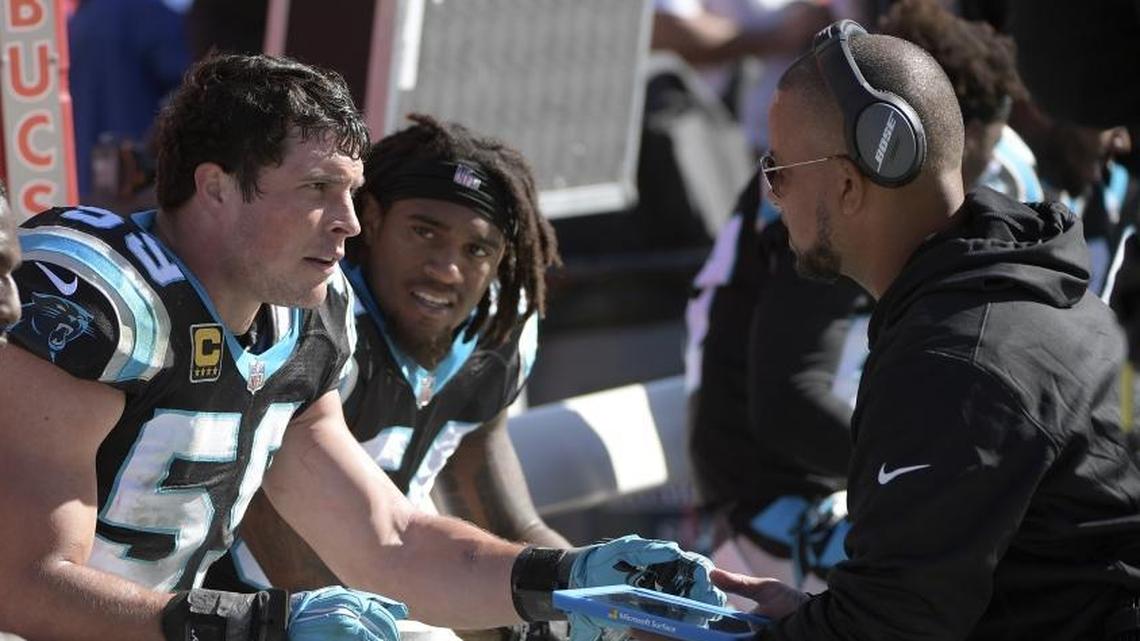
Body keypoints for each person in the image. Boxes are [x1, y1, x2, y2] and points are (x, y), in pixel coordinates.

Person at [0, 53, 724, 641]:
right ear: (215, 187)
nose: (348, 222)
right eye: (318, 187)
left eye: (352, 190)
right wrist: (257, 623)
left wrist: (570, 578)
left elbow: (390, 538)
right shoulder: (94, 299)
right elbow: (24, 585)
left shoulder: (302, 323)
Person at [711, 20, 1140, 640]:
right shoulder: (1029, 291)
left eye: (779, 170)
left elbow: (889, 626)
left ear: (849, 184)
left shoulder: (956, 364)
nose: (772, 195)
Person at [686, 0, 1042, 596]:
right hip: (773, 504)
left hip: (848, 476)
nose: (966, 184)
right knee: (1002, 583)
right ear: (899, 135)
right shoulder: (825, 203)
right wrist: (945, 470)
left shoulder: (925, 183)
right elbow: (789, 402)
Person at [205, 113, 569, 638]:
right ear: (371, 220)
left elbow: (507, 521)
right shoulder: (316, 316)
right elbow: (285, 545)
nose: (446, 269)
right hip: (248, 610)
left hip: (393, 585)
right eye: (424, 232)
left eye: (477, 250)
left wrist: (604, 602)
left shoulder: (496, 333)